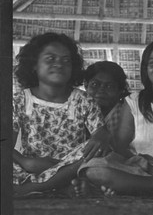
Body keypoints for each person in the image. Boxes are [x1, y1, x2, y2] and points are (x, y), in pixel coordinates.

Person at [78, 40, 153, 196]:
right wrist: (143, 163)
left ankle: (135, 187)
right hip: (137, 166)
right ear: (145, 69)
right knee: (93, 169)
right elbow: (121, 146)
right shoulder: (134, 101)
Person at [13, 32, 109, 197]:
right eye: (50, 59)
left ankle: (33, 190)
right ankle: (62, 188)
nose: (59, 64)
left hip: (70, 165)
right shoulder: (20, 100)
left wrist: (101, 137)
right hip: (32, 167)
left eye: (66, 60)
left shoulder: (83, 100)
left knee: (98, 152)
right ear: (34, 65)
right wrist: (26, 162)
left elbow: (100, 134)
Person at [84, 61, 130, 139]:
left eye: (109, 86)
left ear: (120, 90)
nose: (101, 90)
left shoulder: (127, 116)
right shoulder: (78, 110)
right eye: (95, 84)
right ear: (86, 86)